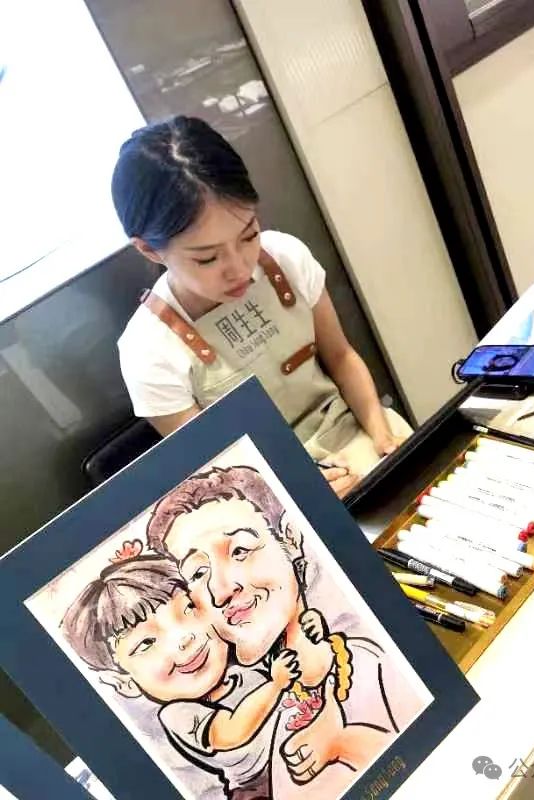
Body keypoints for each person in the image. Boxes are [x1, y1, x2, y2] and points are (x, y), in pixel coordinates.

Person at [114, 116, 411, 498]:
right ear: (149, 249)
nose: (239, 267)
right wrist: (303, 492)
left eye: (249, 234)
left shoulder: (285, 257)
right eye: (207, 258)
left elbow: (341, 357)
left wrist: (383, 438)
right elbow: (217, 475)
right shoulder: (147, 351)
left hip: (357, 435)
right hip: (270, 494)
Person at [147, 465, 423, 799]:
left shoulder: (365, 661)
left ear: (290, 540)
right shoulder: (272, 693)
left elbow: (436, 741)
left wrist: (341, 743)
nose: (220, 591)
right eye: (198, 573)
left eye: (240, 551)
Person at [60, 554, 330, 800]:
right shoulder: (177, 714)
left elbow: (299, 667)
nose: (185, 638)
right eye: (147, 643)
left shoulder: (242, 663)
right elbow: (232, 732)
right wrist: (275, 685)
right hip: (261, 786)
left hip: (310, 747)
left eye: (188, 609)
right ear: (124, 683)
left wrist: (311, 632)